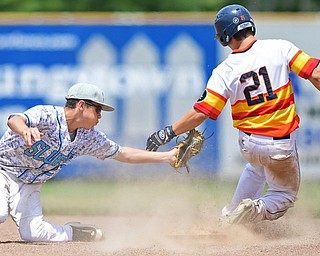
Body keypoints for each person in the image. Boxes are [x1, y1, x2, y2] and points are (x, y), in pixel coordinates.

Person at [146, 4, 320, 226]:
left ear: (225, 36)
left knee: (256, 168)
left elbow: (202, 112)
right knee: (284, 195)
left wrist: (168, 132)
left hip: (249, 144)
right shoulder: (280, 48)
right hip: (279, 144)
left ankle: (229, 216)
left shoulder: (225, 70)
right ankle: (255, 208)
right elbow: (315, 73)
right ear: (250, 25)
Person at [0, 82, 177, 242]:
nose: (100, 116)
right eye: (98, 109)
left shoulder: (88, 137)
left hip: (30, 183)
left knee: (34, 234)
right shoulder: (48, 115)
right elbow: (14, 119)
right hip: (3, 169)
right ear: (82, 105)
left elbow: (123, 153)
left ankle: (75, 232)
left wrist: (166, 157)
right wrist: (25, 130)